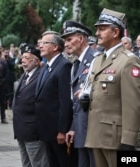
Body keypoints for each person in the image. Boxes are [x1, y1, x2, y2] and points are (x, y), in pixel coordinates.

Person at [82, 8, 140, 167]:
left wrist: (129, 140)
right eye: (97, 29)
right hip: (97, 135)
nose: (98, 33)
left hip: (116, 139)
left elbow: (132, 104)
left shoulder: (128, 61)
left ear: (115, 32)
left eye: (102, 29)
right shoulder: (99, 59)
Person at [35, 30, 77, 167]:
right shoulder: (46, 66)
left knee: (63, 163)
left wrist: (62, 130)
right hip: (46, 131)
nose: (40, 46)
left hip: (57, 132)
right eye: (40, 43)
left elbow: (65, 101)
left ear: (55, 47)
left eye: (44, 43)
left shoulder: (64, 66)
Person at [62, 20, 95, 167]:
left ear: (81, 39)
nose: (66, 44)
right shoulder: (75, 65)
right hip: (81, 129)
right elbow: (75, 102)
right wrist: (74, 128)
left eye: (69, 39)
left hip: (94, 131)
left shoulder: (96, 59)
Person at [12, 44, 50, 167]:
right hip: (21, 129)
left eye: (27, 58)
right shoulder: (25, 75)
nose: (23, 61)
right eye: (23, 58)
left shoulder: (41, 75)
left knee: (38, 163)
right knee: (26, 163)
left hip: (33, 130)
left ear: (37, 61)